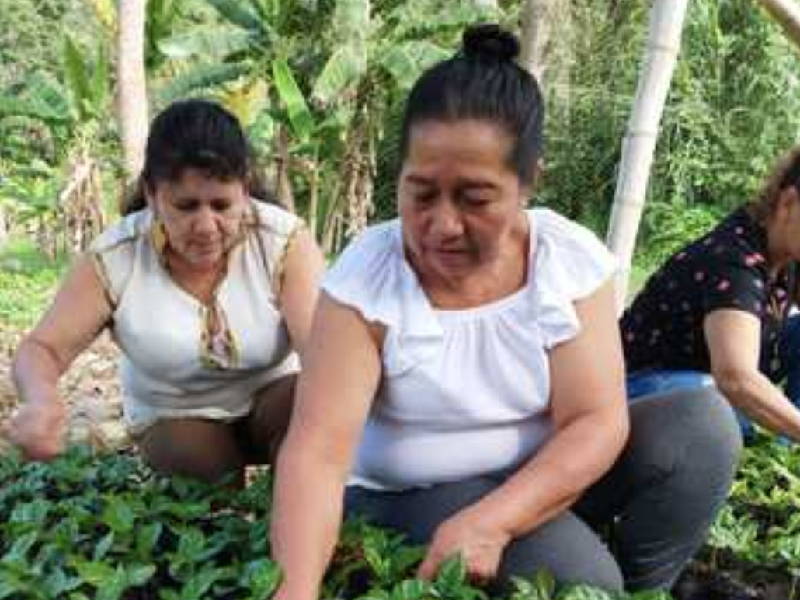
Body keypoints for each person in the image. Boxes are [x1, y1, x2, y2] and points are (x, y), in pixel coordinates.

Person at [270, 24, 740, 598]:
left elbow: (596, 420)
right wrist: (295, 589)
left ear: (527, 184)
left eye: (475, 198)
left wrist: (494, 521)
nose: (441, 225)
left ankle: (643, 588)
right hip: (411, 492)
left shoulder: (566, 262)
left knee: (701, 429)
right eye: (420, 193)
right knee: (580, 579)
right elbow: (317, 453)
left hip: (535, 473)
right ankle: (583, 568)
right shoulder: (368, 278)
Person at [10, 99, 325, 485]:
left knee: (310, 415)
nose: (206, 226)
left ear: (245, 190)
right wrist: (40, 399)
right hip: (175, 414)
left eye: (221, 205)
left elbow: (322, 354)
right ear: (153, 195)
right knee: (200, 472)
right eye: (186, 206)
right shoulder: (115, 258)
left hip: (272, 397)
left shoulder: (284, 242)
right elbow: (43, 348)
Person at [622, 145, 800, 444]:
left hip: (708, 384)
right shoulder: (733, 259)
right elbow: (736, 378)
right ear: (788, 203)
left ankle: (785, 448)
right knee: (715, 407)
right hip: (644, 386)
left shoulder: (786, 251)